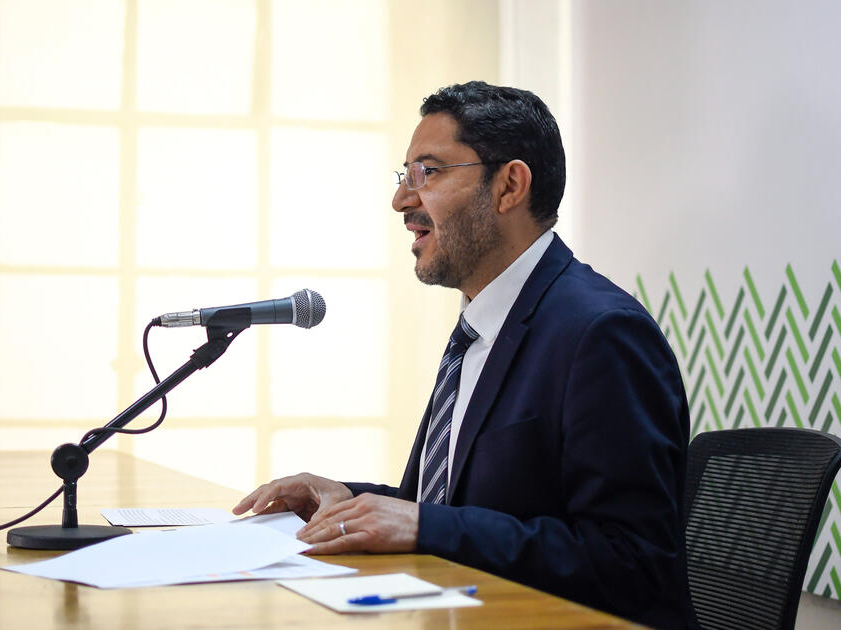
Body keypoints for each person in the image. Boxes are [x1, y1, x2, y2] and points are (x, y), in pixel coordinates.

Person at [234, 81, 692, 628]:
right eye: (404, 175)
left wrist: (423, 527)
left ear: (509, 185)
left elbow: (631, 559)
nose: (402, 199)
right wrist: (347, 500)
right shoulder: (480, 326)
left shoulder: (601, 333)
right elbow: (463, 506)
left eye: (428, 172)